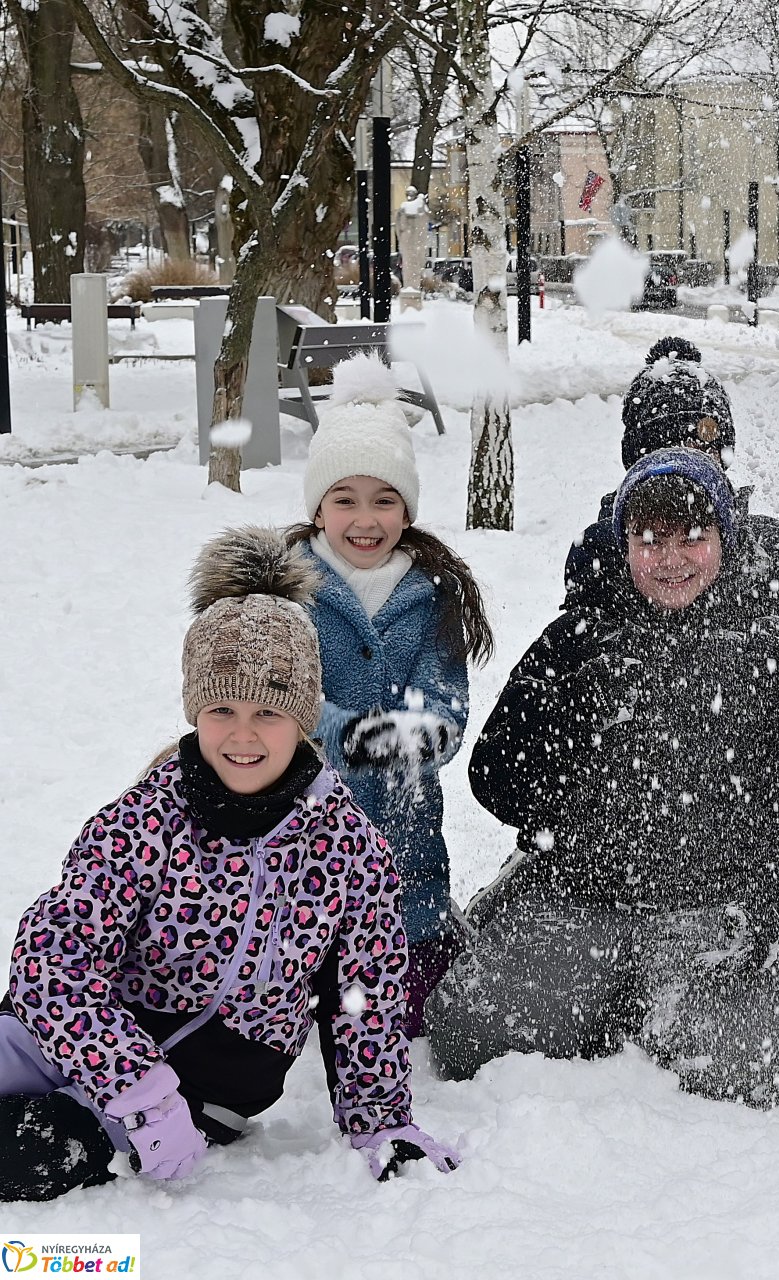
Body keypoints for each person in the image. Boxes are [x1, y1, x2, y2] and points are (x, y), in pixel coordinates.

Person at [1, 528, 455, 1201]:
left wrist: (379, 1122)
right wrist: (135, 1083)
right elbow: (51, 960)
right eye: (222, 710)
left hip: (206, 1085)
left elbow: (367, 998)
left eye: (268, 713)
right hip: (83, 1036)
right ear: (195, 712)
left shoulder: (348, 849)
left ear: (303, 719)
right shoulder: (147, 820)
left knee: (19, 1155)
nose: (243, 735)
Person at [431, 448, 779, 1108]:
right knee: (466, 1035)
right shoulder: (581, 637)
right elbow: (493, 768)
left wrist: (776, 897)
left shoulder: (778, 646)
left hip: (721, 908)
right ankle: (566, 948)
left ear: (725, 539)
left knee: (751, 1070)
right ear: (624, 543)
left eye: (694, 537)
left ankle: (644, 994)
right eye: (649, 540)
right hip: (588, 895)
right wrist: (569, 821)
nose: (672, 559)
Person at [291, 355, 493, 1037]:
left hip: (406, 869)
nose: (365, 518)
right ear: (318, 507)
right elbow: (274, 701)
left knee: (408, 1018)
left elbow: (443, 716)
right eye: (344, 499)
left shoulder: (429, 598)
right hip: (299, 864)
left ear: (406, 507)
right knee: (305, 1012)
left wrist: (383, 739)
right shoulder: (288, 596)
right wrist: (337, 732)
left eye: (384, 499)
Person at [563, 336, 779, 615]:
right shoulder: (601, 559)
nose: (687, 467)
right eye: (670, 450)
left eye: (704, 449)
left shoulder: (768, 548)